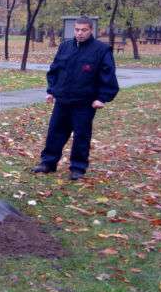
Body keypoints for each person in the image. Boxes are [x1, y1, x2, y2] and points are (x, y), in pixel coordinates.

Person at [32, 16, 119, 180]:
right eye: (77, 30)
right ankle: (48, 163)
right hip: (63, 100)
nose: (80, 33)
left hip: (85, 102)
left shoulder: (101, 50)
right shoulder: (65, 46)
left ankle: (78, 168)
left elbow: (108, 76)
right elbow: (55, 70)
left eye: (84, 30)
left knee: (81, 135)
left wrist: (102, 98)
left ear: (91, 30)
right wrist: (51, 90)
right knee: (55, 132)